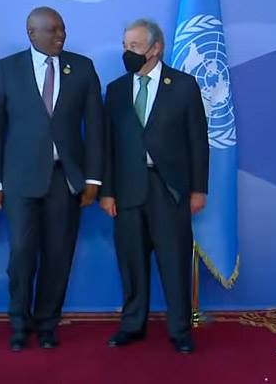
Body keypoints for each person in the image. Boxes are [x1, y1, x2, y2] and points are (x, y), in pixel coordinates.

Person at [0, 6, 104, 351]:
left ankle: (48, 323)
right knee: (22, 255)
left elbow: (96, 129)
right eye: (52, 30)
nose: (61, 36)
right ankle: (19, 324)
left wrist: (94, 179)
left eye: (63, 29)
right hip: (20, 181)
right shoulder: (7, 69)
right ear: (31, 33)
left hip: (65, 180)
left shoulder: (82, 67)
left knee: (59, 255)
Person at [99, 18, 209, 354]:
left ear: (155, 48)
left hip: (170, 189)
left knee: (174, 262)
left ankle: (180, 330)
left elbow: (198, 141)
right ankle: (132, 325)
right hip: (127, 190)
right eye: (125, 46)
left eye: (134, 46)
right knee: (131, 262)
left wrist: (198, 189)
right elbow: (107, 145)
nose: (127, 52)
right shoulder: (116, 90)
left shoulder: (184, 86)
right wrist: (107, 191)